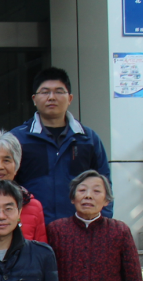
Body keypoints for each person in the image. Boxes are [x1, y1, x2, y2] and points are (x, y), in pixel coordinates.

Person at [10, 67, 111, 223]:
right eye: (45, 92)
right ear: (34, 99)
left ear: (70, 98)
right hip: (33, 228)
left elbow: (104, 182)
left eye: (59, 92)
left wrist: (103, 223)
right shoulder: (17, 139)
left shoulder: (88, 138)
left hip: (79, 228)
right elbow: (6, 184)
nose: (51, 97)